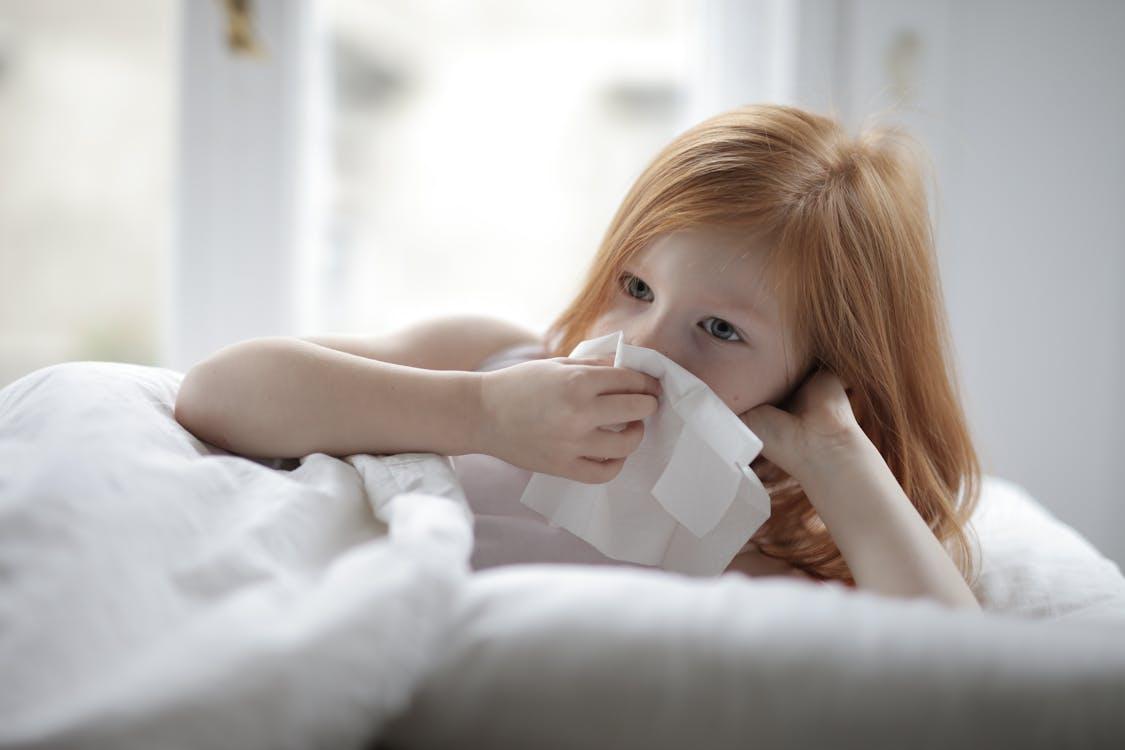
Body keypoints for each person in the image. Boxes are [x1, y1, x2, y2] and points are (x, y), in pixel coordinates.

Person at [174, 103, 981, 610]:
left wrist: (835, 454)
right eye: (634, 285)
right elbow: (216, 391)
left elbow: (971, 690)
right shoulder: (488, 359)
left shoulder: (751, 549)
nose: (646, 342)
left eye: (721, 331)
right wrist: (479, 414)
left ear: (813, 374)